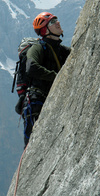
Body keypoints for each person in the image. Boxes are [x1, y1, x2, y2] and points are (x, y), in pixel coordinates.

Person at [22, 12, 70, 147]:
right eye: (52, 22)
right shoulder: (37, 47)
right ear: (45, 30)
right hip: (37, 101)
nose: (58, 22)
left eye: (56, 19)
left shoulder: (62, 50)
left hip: (51, 99)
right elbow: (31, 67)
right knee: (34, 146)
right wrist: (56, 77)